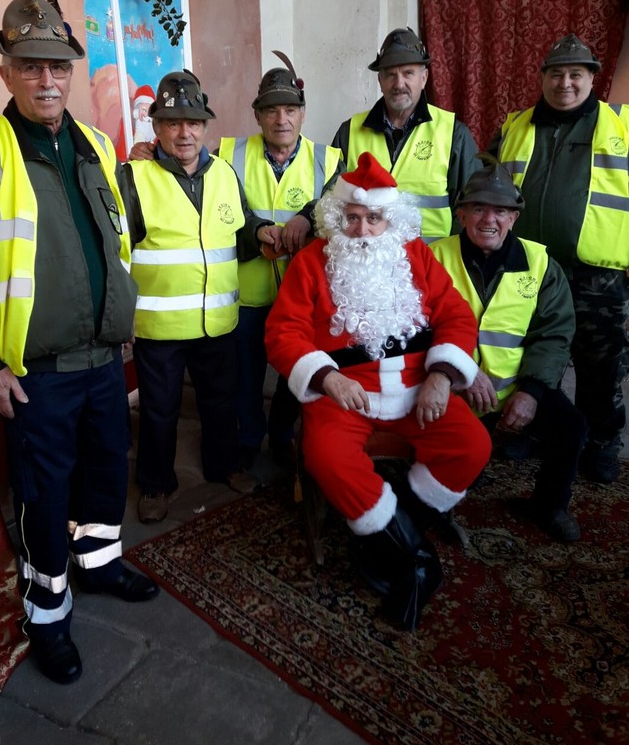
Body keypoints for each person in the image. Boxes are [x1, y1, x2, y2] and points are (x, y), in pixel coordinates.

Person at [0, 0, 159, 686]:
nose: (47, 80)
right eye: (30, 65)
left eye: (58, 66)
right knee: (43, 493)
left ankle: (99, 564)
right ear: (6, 71)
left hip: (102, 357)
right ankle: (47, 614)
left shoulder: (95, 145)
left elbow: (116, 242)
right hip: (36, 372)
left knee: (106, 469)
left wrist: (123, 323)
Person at [265, 152, 491, 630]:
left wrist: (441, 376)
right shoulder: (311, 261)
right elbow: (283, 333)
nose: (363, 230)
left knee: (472, 445)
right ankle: (417, 556)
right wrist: (328, 378)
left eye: (374, 218)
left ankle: (393, 528)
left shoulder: (418, 256)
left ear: (391, 218)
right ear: (336, 217)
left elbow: (456, 315)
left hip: (416, 387)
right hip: (346, 394)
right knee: (326, 457)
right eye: (352, 217)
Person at [124, 70, 279, 524]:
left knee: (221, 402)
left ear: (206, 127)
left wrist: (262, 232)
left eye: (193, 122)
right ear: (156, 127)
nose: (184, 133)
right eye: (173, 123)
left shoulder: (225, 173)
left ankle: (225, 466)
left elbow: (241, 229)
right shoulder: (133, 178)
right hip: (161, 327)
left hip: (217, 320)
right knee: (159, 411)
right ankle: (156, 484)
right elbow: (117, 253)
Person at [491, 34, 628, 484]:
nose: (564, 83)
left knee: (599, 364)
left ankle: (601, 440)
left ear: (592, 78)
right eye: (556, 74)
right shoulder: (515, 126)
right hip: (528, 267)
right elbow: (487, 183)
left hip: (599, 274)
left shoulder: (622, 126)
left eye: (575, 74)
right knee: (531, 353)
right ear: (543, 78)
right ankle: (535, 429)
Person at [431, 156, 587, 541]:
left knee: (571, 427)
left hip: (517, 386)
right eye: (478, 208)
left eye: (500, 211)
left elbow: (554, 333)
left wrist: (532, 392)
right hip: (454, 386)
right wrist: (460, 372)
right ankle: (434, 504)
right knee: (456, 463)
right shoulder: (433, 258)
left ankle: (549, 506)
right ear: (461, 214)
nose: (490, 219)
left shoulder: (540, 263)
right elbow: (416, 329)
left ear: (514, 218)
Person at [217, 54, 342, 468]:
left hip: (303, 296)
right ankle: (249, 441)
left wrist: (308, 216)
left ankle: (283, 435)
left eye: (290, 109)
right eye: (271, 110)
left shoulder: (329, 159)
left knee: (297, 372)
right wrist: (255, 230)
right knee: (246, 376)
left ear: (303, 113)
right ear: (257, 115)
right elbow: (216, 209)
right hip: (246, 293)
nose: (281, 119)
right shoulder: (228, 155)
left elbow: (339, 212)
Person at [331, 28, 480, 242]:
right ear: (380, 80)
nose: (399, 84)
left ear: (424, 78)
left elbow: (470, 209)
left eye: (408, 73)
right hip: (366, 260)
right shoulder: (349, 131)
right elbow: (332, 204)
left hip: (433, 259)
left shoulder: (454, 134)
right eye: (391, 74)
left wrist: (451, 256)